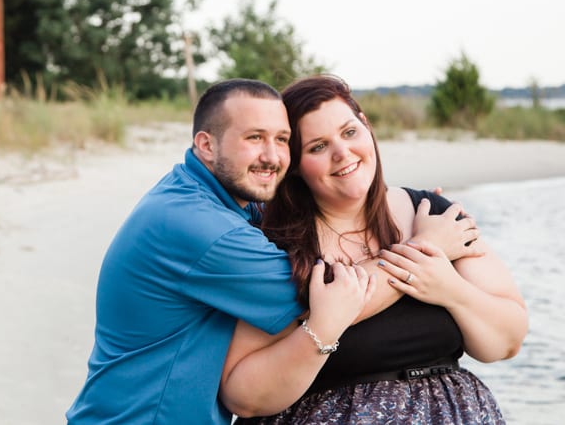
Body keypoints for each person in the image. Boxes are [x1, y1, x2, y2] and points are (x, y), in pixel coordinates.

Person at [67, 78, 476, 424]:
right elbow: (328, 296)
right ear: (206, 146)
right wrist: (425, 247)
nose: (272, 156)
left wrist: (395, 207)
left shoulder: (227, 202)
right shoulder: (199, 225)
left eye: (283, 140)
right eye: (254, 139)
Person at [221, 74, 528, 424]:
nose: (342, 153)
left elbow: (507, 342)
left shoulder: (433, 213)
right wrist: (420, 251)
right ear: (294, 165)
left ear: (366, 127)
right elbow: (244, 397)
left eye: (350, 132)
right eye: (318, 147)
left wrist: (449, 289)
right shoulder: (274, 246)